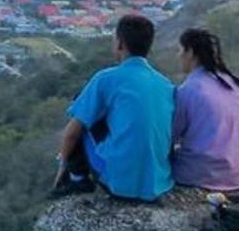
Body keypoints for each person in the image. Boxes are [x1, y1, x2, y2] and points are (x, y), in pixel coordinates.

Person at [52, 13, 175, 200]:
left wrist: (63, 162)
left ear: (120, 44)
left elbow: (72, 133)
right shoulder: (166, 85)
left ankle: (78, 179)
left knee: (82, 110)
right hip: (159, 183)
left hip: (119, 183)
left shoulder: (106, 78)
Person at [171, 28, 239, 192]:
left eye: (180, 50)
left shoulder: (188, 90)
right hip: (236, 176)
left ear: (190, 52)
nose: (178, 56)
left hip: (197, 175)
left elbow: (170, 137)